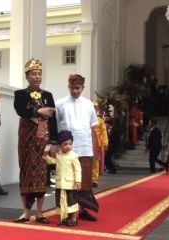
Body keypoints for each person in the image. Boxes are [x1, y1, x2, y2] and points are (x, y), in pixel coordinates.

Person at [13, 58, 58, 224]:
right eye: (34, 74)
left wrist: (53, 141)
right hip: (26, 140)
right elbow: (21, 110)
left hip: (42, 141)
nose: (37, 76)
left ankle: (39, 213)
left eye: (39, 73)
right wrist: (40, 110)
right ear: (27, 76)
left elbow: (53, 119)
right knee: (25, 172)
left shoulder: (48, 95)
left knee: (41, 175)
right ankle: (25, 212)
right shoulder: (20, 94)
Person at [56, 74, 98, 222]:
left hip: (85, 148)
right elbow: (55, 126)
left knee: (84, 181)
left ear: (83, 88)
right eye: (72, 88)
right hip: (67, 149)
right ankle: (69, 211)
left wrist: (94, 148)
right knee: (69, 181)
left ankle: (83, 210)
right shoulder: (60, 104)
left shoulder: (88, 104)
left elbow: (93, 127)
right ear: (68, 87)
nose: (75, 91)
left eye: (78, 88)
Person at [43, 130, 81, 227]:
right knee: (61, 202)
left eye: (70, 144)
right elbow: (51, 161)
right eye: (65, 144)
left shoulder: (73, 156)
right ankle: (64, 218)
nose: (68, 146)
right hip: (60, 184)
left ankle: (73, 218)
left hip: (70, 184)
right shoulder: (59, 156)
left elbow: (77, 170)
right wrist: (45, 155)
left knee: (71, 202)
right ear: (60, 145)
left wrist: (78, 181)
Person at [91, 101, 108, 188]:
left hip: (96, 144)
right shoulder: (85, 118)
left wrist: (105, 142)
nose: (94, 109)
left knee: (95, 162)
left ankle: (94, 179)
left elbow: (103, 132)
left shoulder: (100, 120)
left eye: (95, 107)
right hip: (86, 143)